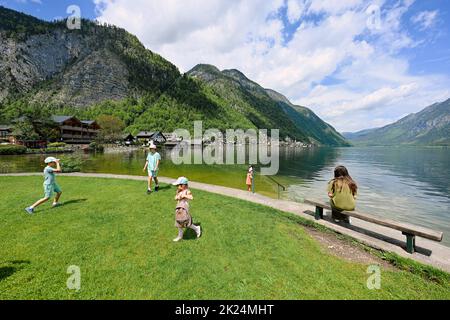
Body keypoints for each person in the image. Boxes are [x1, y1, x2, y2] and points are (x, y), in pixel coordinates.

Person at [172, 177, 202, 242]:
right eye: (177, 185)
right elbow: (175, 198)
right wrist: (178, 197)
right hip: (178, 207)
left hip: (184, 208)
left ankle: (197, 228)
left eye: (178, 185)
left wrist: (184, 196)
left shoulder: (187, 191)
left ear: (184, 185)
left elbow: (191, 197)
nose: (177, 187)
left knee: (186, 222)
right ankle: (180, 236)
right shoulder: (178, 191)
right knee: (179, 221)